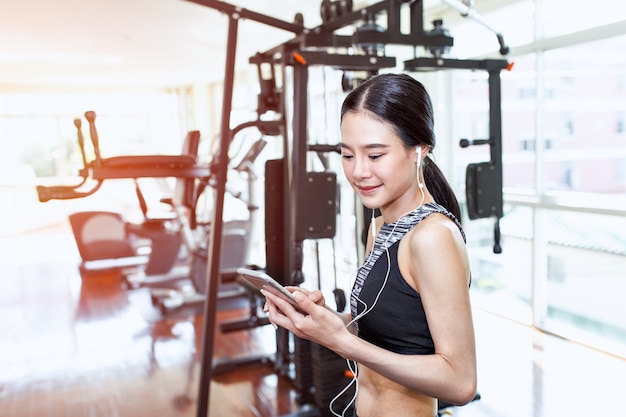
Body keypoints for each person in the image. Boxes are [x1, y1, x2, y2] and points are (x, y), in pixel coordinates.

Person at [262, 73, 476, 417]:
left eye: (374, 155)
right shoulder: (380, 225)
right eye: (348, 155)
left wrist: (341, 342)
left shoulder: (432, 237)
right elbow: (382, 329)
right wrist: (323, 320)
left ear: (419, 151)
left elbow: (461, 382)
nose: (358, 171)